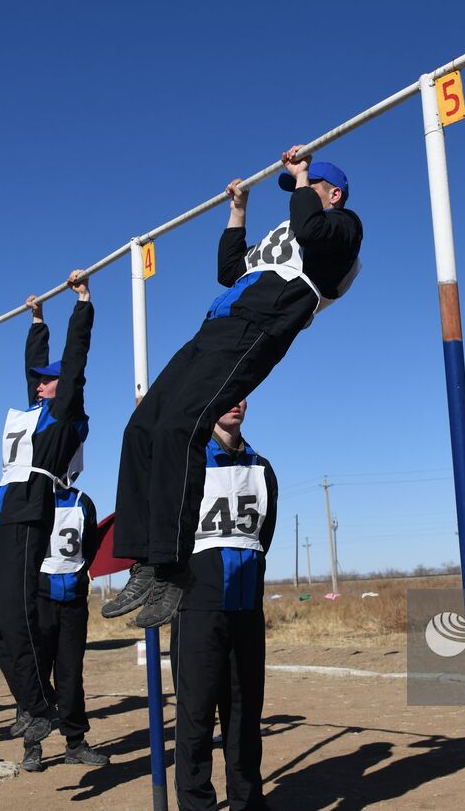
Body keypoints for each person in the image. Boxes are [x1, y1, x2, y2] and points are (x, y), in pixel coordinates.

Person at [106, 145, 361, 628]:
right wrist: (238, 210)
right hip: (216, 324)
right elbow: (228, 271)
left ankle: (172, 564)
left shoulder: (344, 228)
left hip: (261, 324)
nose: (298, 194)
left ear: (334, 193)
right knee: (142, 427)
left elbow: (310, 227)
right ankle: (143, 559)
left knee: (183, 425)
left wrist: (303, 178)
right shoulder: (283, 233)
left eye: (308, 187)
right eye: (294, 188)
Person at [0, 271, 93, 771]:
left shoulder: (63, 412)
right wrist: (36, 320)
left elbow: (73, 365)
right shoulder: (30, 410)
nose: (42, 381)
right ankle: (33, 705)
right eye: (41, 378)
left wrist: (82, 305)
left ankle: (47, 715)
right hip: (2, 511)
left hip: (30, 503)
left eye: (49, 378)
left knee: (23, 615)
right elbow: (36, 364)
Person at [175, 399, 278, 811]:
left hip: (247, 606)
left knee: (244, 716)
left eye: (243, 394)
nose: (236, 402)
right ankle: (197, 803)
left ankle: (247, 800)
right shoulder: (188, 459)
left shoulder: (263, 467)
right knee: (196, 716)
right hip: (199, 603)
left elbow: (263, 534)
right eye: (227, 393)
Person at [34, 474, 108, 768]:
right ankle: (32, 744)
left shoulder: (83, 502)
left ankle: (75, 742)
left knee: (70, 674)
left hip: (73, 602)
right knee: (36, 674)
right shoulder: (31, 500)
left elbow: (90, 548)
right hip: (39, 600)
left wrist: (78, 579)